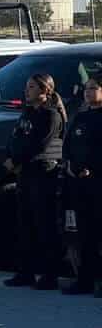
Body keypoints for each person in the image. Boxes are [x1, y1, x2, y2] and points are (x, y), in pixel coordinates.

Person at [4, 73, 67, 290]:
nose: (26, 90)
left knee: (44, 225)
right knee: (25, 224)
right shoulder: (27, 113)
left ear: (44, 91)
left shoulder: (51, 116)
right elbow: (16, 138)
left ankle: (50, 275)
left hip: (43, 173)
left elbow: (39, 144)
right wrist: (11, 157)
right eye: (26, 86)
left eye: (31, 87)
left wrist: (17, 160)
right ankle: (25, 272)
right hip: (25, 173)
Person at [61, 76, 102, 296]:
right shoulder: (81, 117)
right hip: (78, 182)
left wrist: (92, 168)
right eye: (86, 89)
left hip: (97, 181)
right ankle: (85, 279)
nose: (88, 92)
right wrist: (69, 164)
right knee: (85, 234)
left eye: (94, 88)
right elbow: (68, 145)